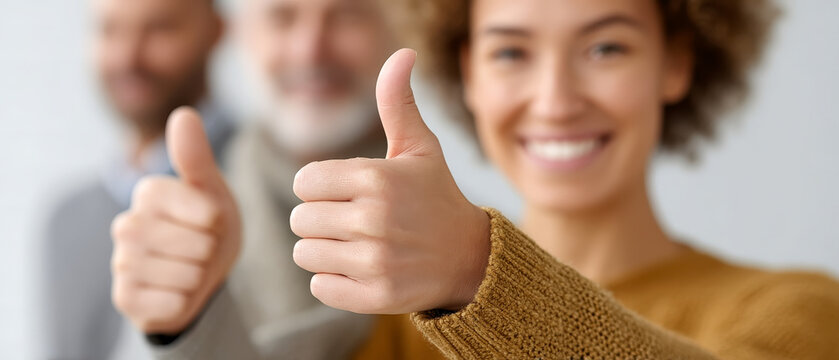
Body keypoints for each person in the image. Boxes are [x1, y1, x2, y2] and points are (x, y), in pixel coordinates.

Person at [110, 0, 403, 358]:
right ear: (243, 34)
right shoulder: (181, 223)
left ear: (400, 30)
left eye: (346, 15)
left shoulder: (462, 247)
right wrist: (181, 330)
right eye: (283, 17)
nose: (309, 50)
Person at [38, 0, 230, 358]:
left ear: (216, 31)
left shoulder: (271, 180)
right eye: (110, 30)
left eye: (159, 29)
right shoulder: (65, 218)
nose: (128, 57)